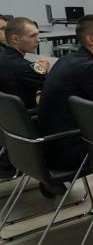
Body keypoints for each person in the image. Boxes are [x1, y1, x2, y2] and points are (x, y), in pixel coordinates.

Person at [38, 15, 93, 173]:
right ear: (91, 39)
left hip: (47, 148)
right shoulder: (88, 67)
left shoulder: (66, 59)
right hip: (70, 152)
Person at [0, 17, 50, 179]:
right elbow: (53, 87)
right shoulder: (25, 68)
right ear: (15, 39)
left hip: (7, 127)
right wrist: (43, 70)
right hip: (27, 126)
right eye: (32, 36)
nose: (38, 39)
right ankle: (51, 174)